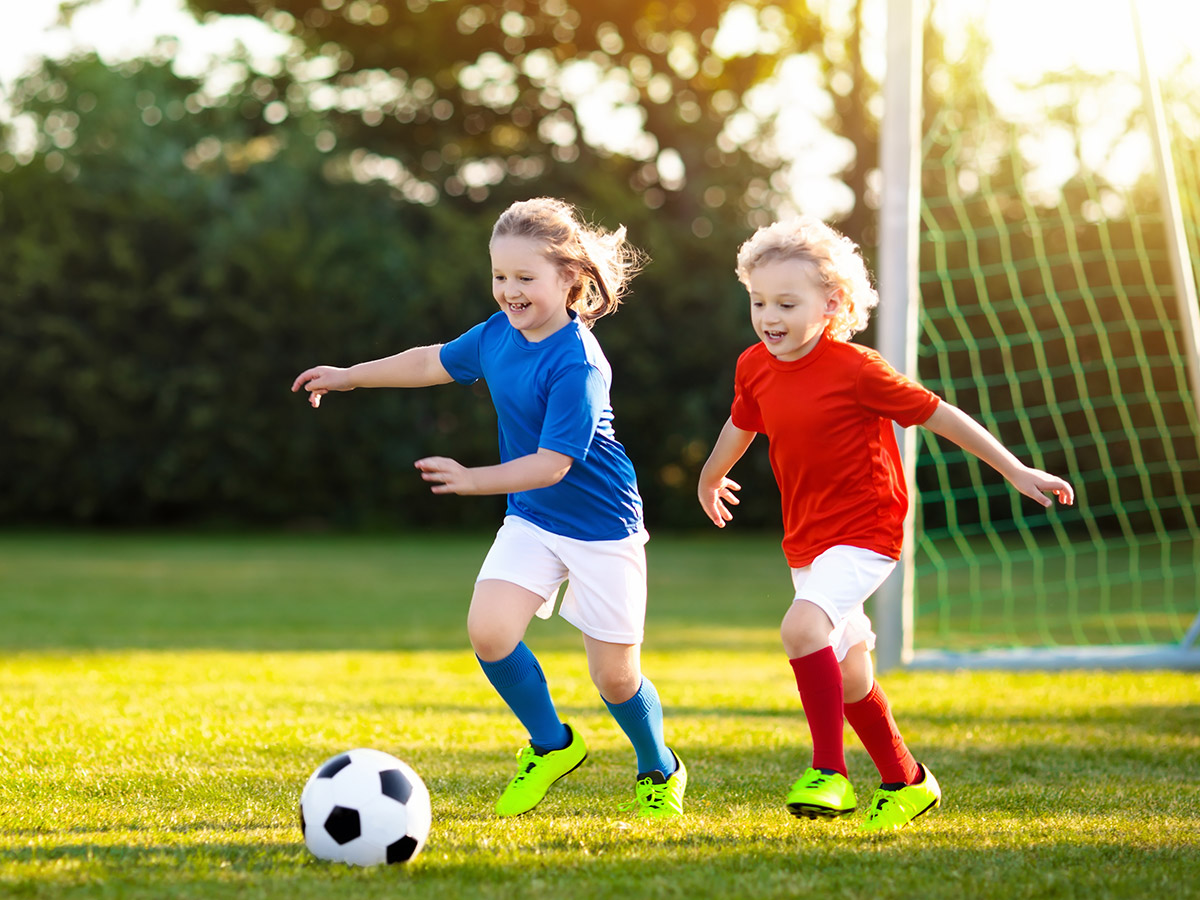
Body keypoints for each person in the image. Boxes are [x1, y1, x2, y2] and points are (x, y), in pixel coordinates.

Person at [291, 197, 686, 819]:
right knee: (490, 631)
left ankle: (658, 767)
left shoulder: (578, 363)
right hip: (533, 518)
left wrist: (474, 480)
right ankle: (552, 744)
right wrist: (348, 375)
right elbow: (431, 360)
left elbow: (555, 463)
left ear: (570, 279)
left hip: (602, 528)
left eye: (525, 278)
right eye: (500, 276)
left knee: (614, 679)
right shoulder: (498, 336)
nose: (509, 290)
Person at [697, 217, 1074, 832]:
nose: (769, 316)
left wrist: (1014, 469)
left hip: (867, 531)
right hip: (807, 540)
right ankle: (907, 781)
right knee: (848, 675)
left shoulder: (857, 369)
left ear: (832, 304)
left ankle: (829, 774)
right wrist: (710, 477)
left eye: (787, 303)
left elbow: (939, 415)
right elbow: (742, 423)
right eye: (759, 301)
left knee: (801, 629)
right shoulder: (754, 366)